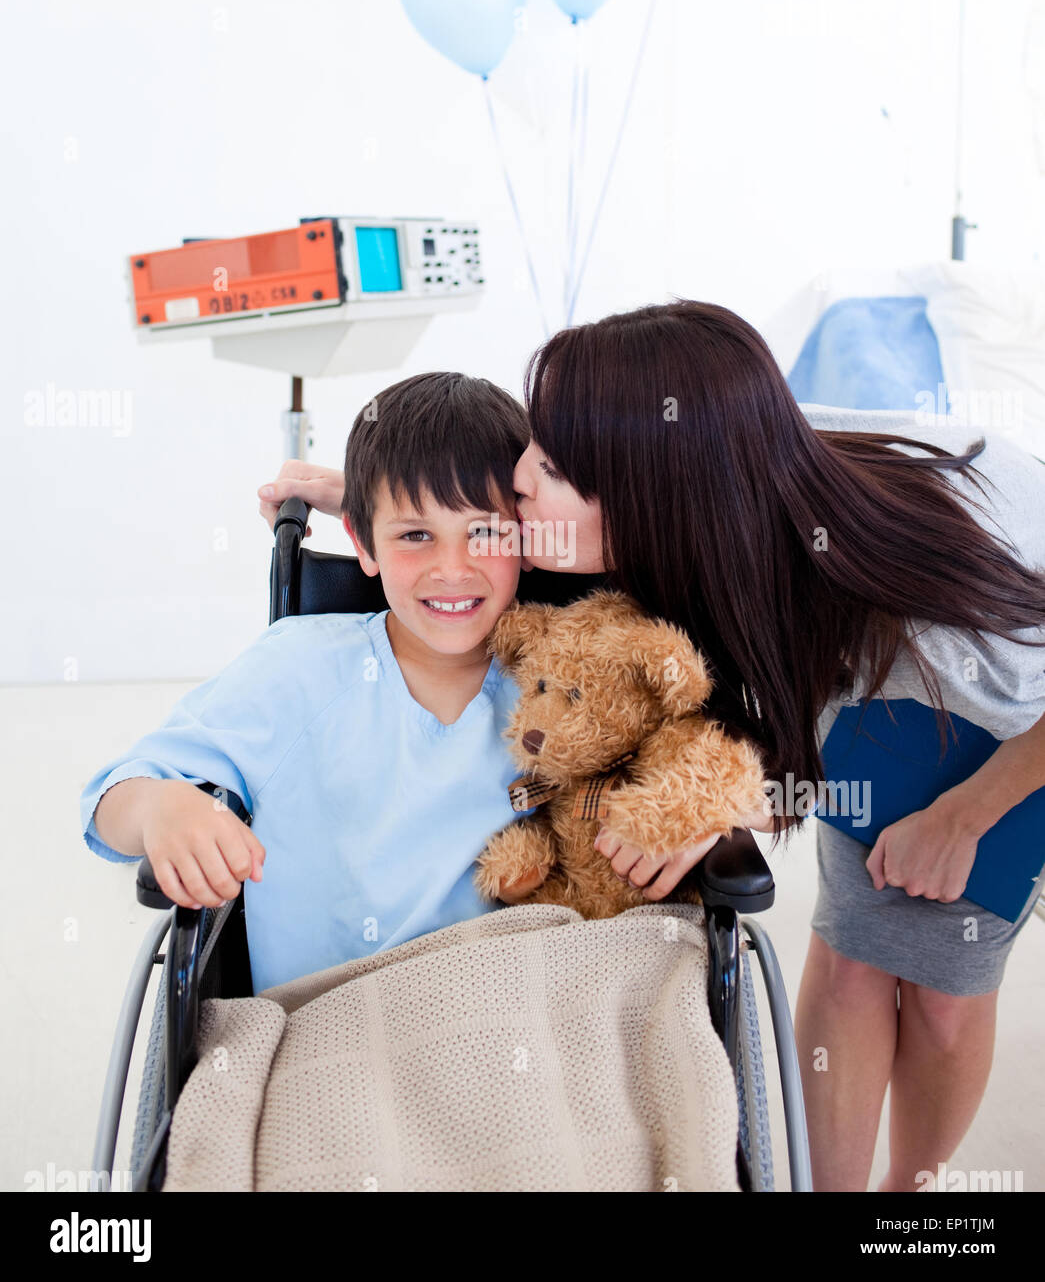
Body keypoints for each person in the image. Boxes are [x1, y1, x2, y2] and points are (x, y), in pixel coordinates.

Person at [258, 298, 1045, 1191]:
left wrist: (966, 815)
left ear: (642, 489)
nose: (519, 478)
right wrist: (383, 502)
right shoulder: (707, 472)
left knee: (941, 990)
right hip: (846, 685)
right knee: (855, 959)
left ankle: (913, 1208)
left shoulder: (969, 582)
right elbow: (543, 532)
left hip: (1005, 720)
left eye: (546, 464)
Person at [80, 372, 541, 995]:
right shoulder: (298, 669)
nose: (451, 569)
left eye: (485, 532)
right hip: (328, 1021)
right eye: (414, 535)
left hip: (516, 1014)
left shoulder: (564, 680)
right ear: (363, 544)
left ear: (527, 538)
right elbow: (111, 798)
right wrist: (162, 807)